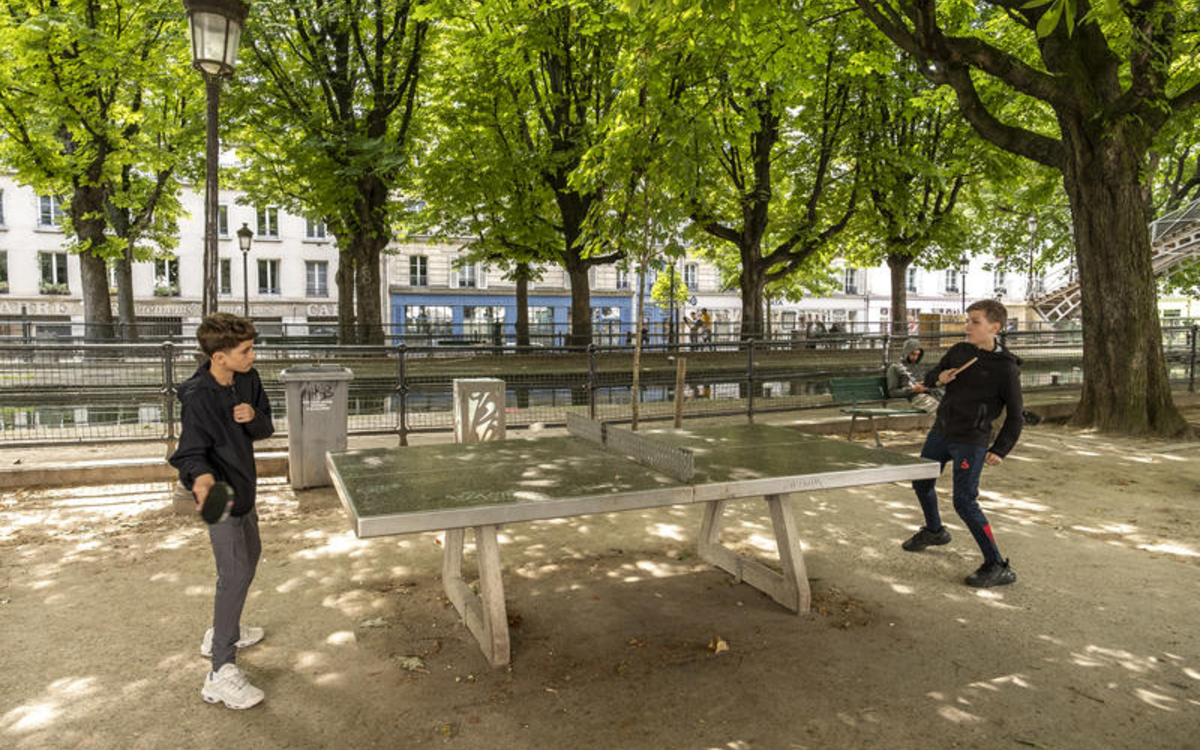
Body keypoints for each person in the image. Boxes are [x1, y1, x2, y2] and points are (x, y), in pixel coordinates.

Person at [169, 313, 275, 709]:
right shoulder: (197, 396)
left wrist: (254, 418)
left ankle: (223, 629)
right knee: (233, 574)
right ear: (219, 357)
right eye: (245, 350)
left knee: (250, 561)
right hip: (216, 495)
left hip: (245, 488)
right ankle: (220, 670)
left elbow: (266, 429)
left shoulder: (248, 378)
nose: (252, 355)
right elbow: (190, 453)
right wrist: (201, 481)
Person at [902, 299, 1022, 588]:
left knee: (964, 501)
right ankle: (934, 531)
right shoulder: (959, 351)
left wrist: (1000, 449)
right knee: (921, 482)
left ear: (995, 327)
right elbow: (931, 378)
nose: (967, 327)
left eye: (975, 322)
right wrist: (939, 378)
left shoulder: (1006, 368)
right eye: (967, 320)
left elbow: (1016, 416)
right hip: (942, 431)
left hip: (972, 439)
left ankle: (997, 565)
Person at [886, 338, 940, 413]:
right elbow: (892, 392)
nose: (915, 357)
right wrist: (912, 390)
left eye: (918, 355)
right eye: (913, 354)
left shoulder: (919, 367)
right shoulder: (895, 368)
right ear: (906, 352)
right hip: (916, 397)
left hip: (931, 395)